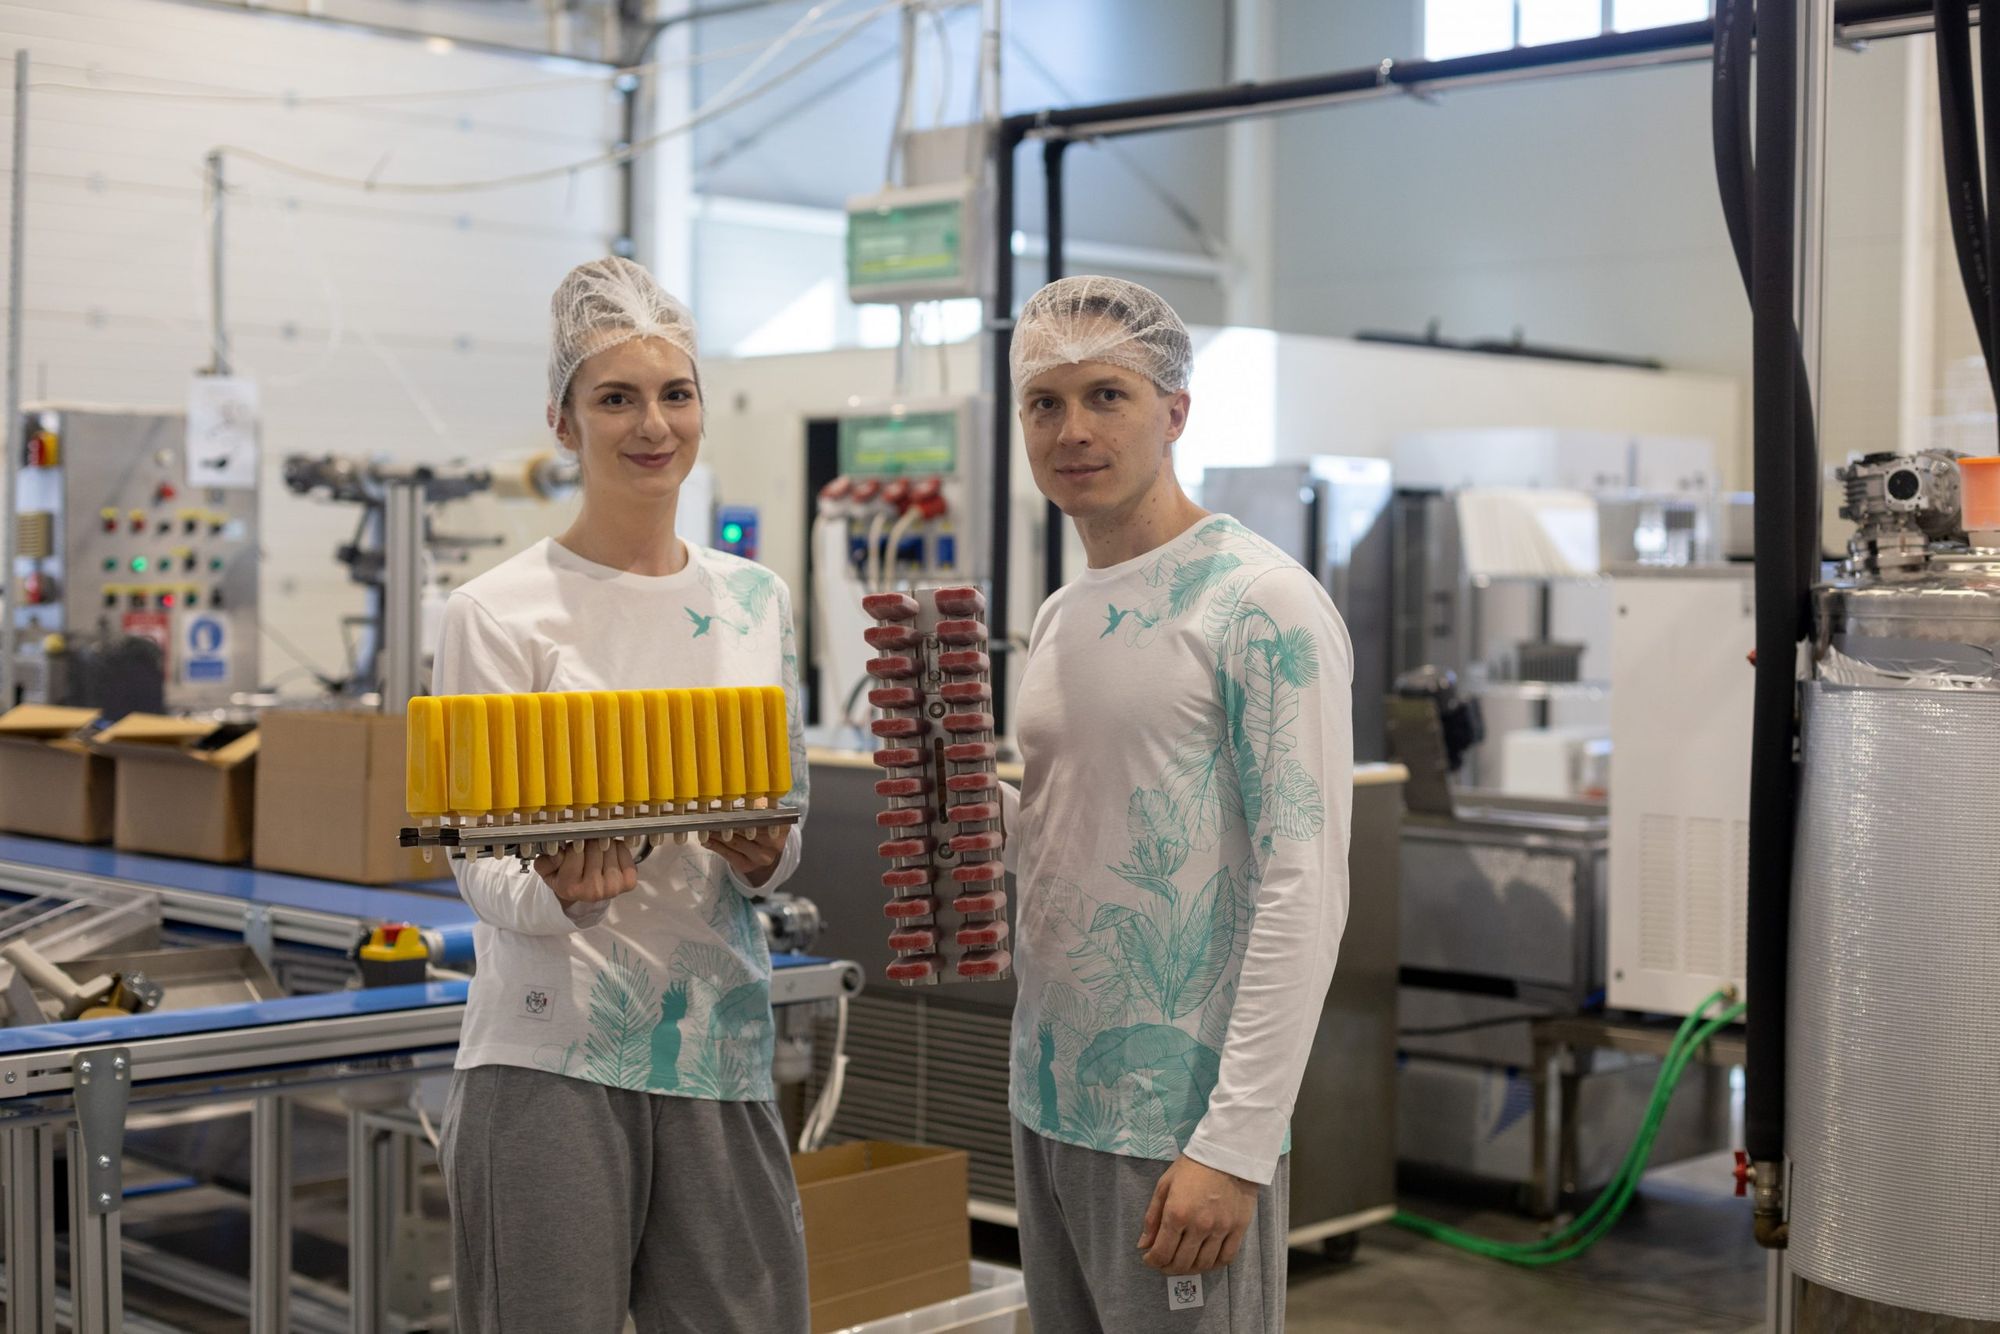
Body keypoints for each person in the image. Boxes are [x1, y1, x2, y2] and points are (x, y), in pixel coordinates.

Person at [433, 256, 810, 1334]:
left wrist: (763, 852)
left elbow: (780, 824)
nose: (653, 423)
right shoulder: (497, 612)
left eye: (674, 392)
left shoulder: (753, 599)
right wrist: (560, 889)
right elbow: (477, 858)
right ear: (563, 421)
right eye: (616, 397)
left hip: (718, 1035)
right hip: (553, 1045)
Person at [999, 275, 1353, 1332]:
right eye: (1043, 402)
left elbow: (1306, 884)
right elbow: (1082, 830)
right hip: (1050, 1096)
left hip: (1178, 1119)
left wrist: (1235, 1142)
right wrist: (981, 815)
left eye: (1106, 395)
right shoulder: (1062, 612)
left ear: (1174, 411)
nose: (1072, 429)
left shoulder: (1258, 601)